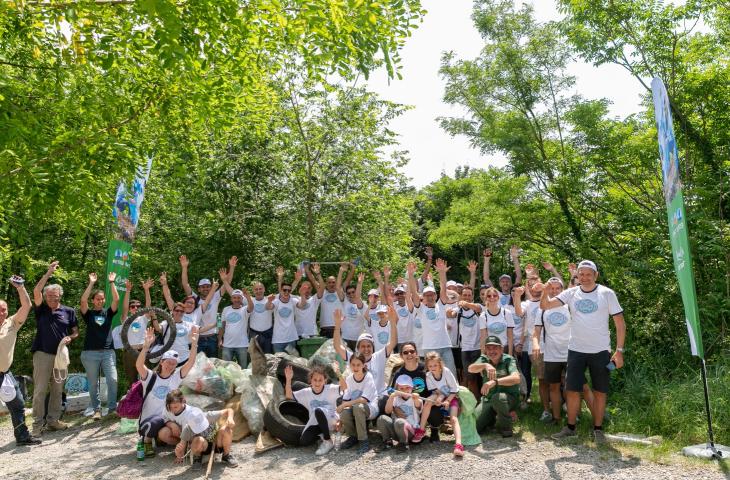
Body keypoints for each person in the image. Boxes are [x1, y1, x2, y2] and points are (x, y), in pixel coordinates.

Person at [539, 260, 626, 443]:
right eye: (581, 274)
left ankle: (598, 429)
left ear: (595, 275)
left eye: (588, 274)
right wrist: (545, 291)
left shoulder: (606, 293)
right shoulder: (571, 293)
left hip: (601, 350)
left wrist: (619, 351)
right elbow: (545, 306)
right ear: (577, 276)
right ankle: (570, 428)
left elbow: (620, 323)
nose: (585, 278)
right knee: (572, 390)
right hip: (576, 350)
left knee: (600, 391)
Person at [531, 277, 595, 425]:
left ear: (562, 290)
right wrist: (535, 344)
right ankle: (556, 418)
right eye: (551, 288)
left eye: (557, 288)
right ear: (547, 290)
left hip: (571, 352)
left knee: (580, 386)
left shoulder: (570, 306)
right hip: (551, 354)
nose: (554, 291)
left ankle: (590, 417)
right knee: (553, 386)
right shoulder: (542, 309)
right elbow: (536, 333)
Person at [31, 261, 79, 436]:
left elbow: (75, 332)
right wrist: (49, 272)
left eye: (55, 296)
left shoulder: (69, 311)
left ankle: (53, 421)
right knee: (40, 390)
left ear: (60, 296)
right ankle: (37, 425)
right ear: (45, 297)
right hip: (42, 354)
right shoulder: (41, 309)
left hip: (60, 356)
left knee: (58, 390)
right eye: (49, 296)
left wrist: (70, 338)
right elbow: (36, 291)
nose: (52, 298)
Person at [136, 326, 198, 457]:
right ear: (162, 362)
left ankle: (185, 446)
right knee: (161, 424)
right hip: (149, 422)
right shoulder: (150, 377)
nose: (171, 366)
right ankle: (147, 440)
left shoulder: (175, 378)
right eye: (168, 362)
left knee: (166, 433)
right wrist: (146, 347)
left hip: (167, 419)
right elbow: (139, 365)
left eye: (174, 364)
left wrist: (194, 343)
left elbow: (191, 362)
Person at [0, 274, 42, 446]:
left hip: (4, 375)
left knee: (17, 404)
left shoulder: (12, 323)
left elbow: (27, 305)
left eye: (4, 309)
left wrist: (20, 287)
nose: (2, 313)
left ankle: (22, 437)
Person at [333, 307, 397, 410]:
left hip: (377, 397)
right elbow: (337, 346)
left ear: (373, 347)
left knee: (384, 401)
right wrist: (337, 325)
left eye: (369, 346)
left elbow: (393, 342)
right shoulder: (353, 358)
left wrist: (393, 322)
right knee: (340, 400)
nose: (366, 349)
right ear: (358, 348)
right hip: (359, 398)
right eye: (363, 346)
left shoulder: (379, 356)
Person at [79, 271, 119, 419]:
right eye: (97, 299)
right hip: (90, 353)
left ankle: (112, 408)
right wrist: (91, 283)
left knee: (112, 379)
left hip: (108, 352)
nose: (100, 301)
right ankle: (96, 410)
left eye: (102, 299)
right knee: (93, 383)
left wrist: (112, 282)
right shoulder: (88, 314)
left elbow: (116, 300)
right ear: (93, 300)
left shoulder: (108, 313)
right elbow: (83, 301)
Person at [406, 259, 458, 374]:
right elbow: (414, 293)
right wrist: (410, 275)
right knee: (432, 375)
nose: (429, 297)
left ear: (435, 295)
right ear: (423, 297)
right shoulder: (421, 309)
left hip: (445, 346)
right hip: (429, 348)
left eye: (431, 294)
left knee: (451, 373)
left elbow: (444, 288)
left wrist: (442, 273)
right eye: (426, 295)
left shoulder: (441, 305)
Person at [165, 389, 238, 469]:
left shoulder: (208, 416)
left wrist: (230, 418)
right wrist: (179, 455)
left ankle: (226, 455)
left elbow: (229, 410)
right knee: (198, 439)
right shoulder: (187, 429)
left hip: (217, 444)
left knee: (226, 429)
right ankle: (197, 459)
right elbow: (182, 446)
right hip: (202, 448)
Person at [388, 341, 444, 442]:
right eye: (405, 352)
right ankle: (409, 432)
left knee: (436, 411)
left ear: (416, 353)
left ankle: (434, 431)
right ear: (401, 356)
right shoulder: (399, 373)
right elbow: (393, 394)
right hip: (409, 408)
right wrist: (395, 410)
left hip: (425, 405)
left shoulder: (426, 369)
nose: (409, 354)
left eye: (412, 351)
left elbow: (437, 387)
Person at [412, 351, 463, 457]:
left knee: (453, 419)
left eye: (435, 365)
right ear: (427, 366)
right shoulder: (428, 375)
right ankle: (421, 430)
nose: (433, 367)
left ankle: (458, 444)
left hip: (452, 396)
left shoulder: (446, 371)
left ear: (440, 364)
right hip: (439, 395)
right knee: (428, 402)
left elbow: (454, 389)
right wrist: (440, 398)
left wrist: (447, 400)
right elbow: (435, 391)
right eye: (430, 366)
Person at [179, 255, 231, 359]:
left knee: (212, 365)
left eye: (208, 286)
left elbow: (227, 284)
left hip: (212, 337)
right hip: (197, 338)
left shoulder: (215, 296)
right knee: (198, 365)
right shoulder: (194, 299)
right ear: (199, 289)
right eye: (203, 287)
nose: (206, 289)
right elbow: (185, 284)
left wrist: (232, 267)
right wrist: (184, 267)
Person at [469, 335, 521, 437]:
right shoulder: (484, 359)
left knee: (498, 398)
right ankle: (491, 419)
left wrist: (495, 382)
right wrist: (485, 365)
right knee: (473, 428)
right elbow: (470, 369)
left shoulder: (508, 359)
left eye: (495, 348)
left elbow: (516, 378)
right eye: (489, 348)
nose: (492, 351)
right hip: (488, 399)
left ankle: (506, 428)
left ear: (501, 349)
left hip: (508, 399)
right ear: (485, 350)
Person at [284, 364, 341, 455]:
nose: (317, 383)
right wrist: (288, 379)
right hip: (317, 422)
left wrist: (338, 373)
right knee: (304, 441)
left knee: (318, 410)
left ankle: (328, 441)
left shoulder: (330, 389)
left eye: (320, 380)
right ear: (310, 380)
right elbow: (288, 396)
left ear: (325, 381)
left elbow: (345, 388)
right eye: (315, 380)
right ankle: (322, 435)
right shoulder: (307, 392)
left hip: (332, 420)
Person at [447, 286, 485, 399]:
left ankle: (486, 400)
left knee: (484, 377)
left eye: (469, 295)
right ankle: (476, 401)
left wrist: (464, 303)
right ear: (462, 296)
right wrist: (449, 311)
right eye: (465, 295)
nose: (467, 297)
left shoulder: (478, 307)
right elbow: (450, 314)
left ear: (473, 296)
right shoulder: (459, 310)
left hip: (479, 348)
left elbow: (478, 309)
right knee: (471, 379)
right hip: (465, 349)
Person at [337, 352, 378, 454]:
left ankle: (364, 441)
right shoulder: (349, 379)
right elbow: (345, 400)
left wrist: (344, 405)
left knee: (357, 407)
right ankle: (353, 436)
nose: (355, 367)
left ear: (364, 365)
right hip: (356, 407)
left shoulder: (368, 376)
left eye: (358, 365)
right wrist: (340, 420)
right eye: (353, 365)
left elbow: (363, 400)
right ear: (350, 365)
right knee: (344, 412)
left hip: (370, 408)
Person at [376, 374, 423, 453]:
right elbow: (387, 411)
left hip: (410, 431)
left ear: (412, 387)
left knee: (400, 421)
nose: (404, 391)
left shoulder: (415, 398)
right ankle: (387, 441)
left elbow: (418, 405)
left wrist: (416, 399)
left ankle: (404, 444)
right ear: (397, 389)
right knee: (382, 418)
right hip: (396, 430)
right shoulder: (396, 399)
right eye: (401, 388)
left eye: (407, 388)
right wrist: (391, 397)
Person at [119, 278, 153, 383]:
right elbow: (124, 308)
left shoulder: (143, 318)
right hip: (129, 352)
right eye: (132, 306)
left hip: (142, 351)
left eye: (138, 306)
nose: (135, 308)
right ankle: (133, 399)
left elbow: (148, 306)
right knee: (132, 381)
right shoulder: (125, 319)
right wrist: (128, 290)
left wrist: (147, 290)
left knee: (146, 379)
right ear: (130, 309)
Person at [218, 288, 251, 368]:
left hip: (242, 345)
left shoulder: (245, 309)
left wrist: (248, 297)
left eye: (239, 297)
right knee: (225, 368)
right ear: (231, 299)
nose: (236, 300)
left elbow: (251, 307)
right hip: (227, 345)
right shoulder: (226, 309)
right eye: (234, 297)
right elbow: (222, 325)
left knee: (243, 368)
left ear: (242, 299)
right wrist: (219, 339)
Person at [318, 262, 353, 339]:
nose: (331, 284)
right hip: (325, 328)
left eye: (333, 282)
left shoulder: (340, 292)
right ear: (326, 284)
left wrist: (352, 267)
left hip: (339, 327)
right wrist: (308, 270)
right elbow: (314, 281)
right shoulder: (322, 293)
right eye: (329, 282)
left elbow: (348, 279)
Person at [480, 287, 514, 356]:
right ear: (486, 298)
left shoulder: (506, 313)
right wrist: (483, 355)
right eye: (489, 296)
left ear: (498, 297)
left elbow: (510, 336)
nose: (492, 297)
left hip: (505, 348)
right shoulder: (483, 316)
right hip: (491, 350)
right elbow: (483, 337)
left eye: (494, 295)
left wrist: (510, 354)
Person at [268, 276, 299, 353]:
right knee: (279, 363)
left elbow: (302, 305)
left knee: (292, 362)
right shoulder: (276, 301)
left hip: (291, 339)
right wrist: (269, 301)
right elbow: (269, 307)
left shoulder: (293, 300)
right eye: (284, 290)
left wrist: (297, 279)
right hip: (278, 340)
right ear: (280, 291)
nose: (286, 292)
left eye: (289, 291)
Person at [294, 263, 324, 339]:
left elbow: (322, 288)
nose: (306, 290)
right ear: (299, 288)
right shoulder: (294, 299)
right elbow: (285, 292)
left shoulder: (314, 299)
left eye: (308, 288)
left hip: (313, 333)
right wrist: (297, 279)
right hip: (297, 334)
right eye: (304, 287)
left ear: (311, 289)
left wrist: (318, 274)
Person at [339, 272, 366, 351]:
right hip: (345, 338)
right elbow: (338, 287)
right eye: (349, 293)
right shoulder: (345, 302)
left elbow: (358, 296)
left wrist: (360, 283)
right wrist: (341, 270)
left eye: (353, 292)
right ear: (346, 294)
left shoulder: (362, 304)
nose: (351, 294)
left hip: (358, 339)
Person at [247, 281, 275, 354]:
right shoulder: (249, 300)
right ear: (253, 291)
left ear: (264, 289)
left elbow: (284, 294)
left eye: (260, 289)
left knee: (268, 358)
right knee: (254, 358)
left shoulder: (270, 299)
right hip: (253, 334)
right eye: (256, 289)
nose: (258, 291)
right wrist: (224, 280)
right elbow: (232, 292)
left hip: (268, 334)